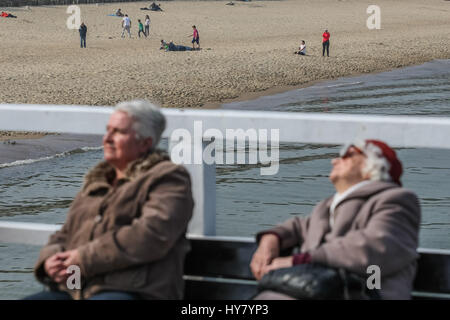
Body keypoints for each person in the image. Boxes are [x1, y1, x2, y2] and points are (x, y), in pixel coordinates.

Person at [24, 100, 194, 300]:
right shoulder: (98, 180)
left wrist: (83, 258)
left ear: (145, 143)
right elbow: (66, 233)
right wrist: (50, 260)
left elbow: (151, 235)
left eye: (119, 132)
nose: (107, 139)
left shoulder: (167, 178)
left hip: (132, 291)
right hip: (74, 289)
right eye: (108, 131)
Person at [250, 139, 421, 300]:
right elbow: (301, 226)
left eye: (347, 154)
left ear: (372, 167)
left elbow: (376, 246)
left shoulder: (397, 200)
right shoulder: (328, 206)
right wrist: (270, 240)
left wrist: (299, 261)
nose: (334, 161)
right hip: (314, 291)